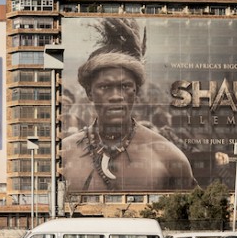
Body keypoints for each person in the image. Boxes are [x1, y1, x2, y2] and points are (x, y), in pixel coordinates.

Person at [60, 18, 196, 192]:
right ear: (89, 92)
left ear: (136, 92)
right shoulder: (64, 153)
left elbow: (195, 214)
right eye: (105, 87)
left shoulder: (169, 157)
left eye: (125, 86)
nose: (116, 96)